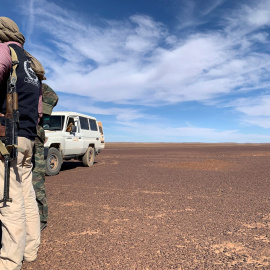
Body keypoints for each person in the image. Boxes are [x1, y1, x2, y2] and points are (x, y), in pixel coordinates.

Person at [0, 17, 46, 269]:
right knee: (26, 195)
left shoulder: (4, 51)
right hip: (26, 137)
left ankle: (9, 262)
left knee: (8, 201)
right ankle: (30, 250)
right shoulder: (30, 63)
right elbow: (38, 109)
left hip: (6, 139)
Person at [32, 83, 58, 232]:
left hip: (33, 133)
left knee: (36, 179)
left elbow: (52, 95)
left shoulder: (26, 72)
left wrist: (40, 114)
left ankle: (40, 219)